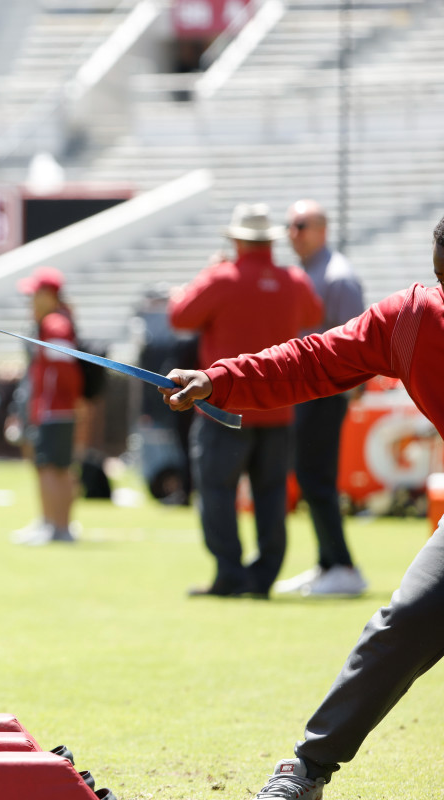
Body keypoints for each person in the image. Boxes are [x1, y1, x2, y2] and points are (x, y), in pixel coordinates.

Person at [160, 211, 444, 800]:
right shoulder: (415, 317)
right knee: (405, 623)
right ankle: (307, 771)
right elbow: (314, 358)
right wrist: (220, 379)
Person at [169, 203, 322, 597]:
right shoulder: (293, 280)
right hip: (277, 407)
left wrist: (208, 272)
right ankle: (263, 577)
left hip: (224, 406)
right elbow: (314, 313)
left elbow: (179, 316)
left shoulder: (222, 278)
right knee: (271, 494)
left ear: (237, 239)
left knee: (217, 491)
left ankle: (230, 574)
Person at [274, 199, 368, 598]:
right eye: (290, 226)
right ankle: (328, 562)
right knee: (310, 477)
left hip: (327, 391)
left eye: (300, 225)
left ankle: (343, 565)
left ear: (321, 229)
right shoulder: (309, 272)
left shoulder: (337, 276)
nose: (292, 233)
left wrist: (347, 393)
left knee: (318, 478)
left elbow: (356, 342)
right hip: (310, 390)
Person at [9, 266, 83, 545]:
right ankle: (53, 524)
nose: (31, 300)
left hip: (54, 409)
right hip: (53, 408)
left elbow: (64, 369)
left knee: (53, 468)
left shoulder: (55, 324)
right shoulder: (55, 320)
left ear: (49, 295)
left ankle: (56, 526)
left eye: (35, 294)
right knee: (54, 468)